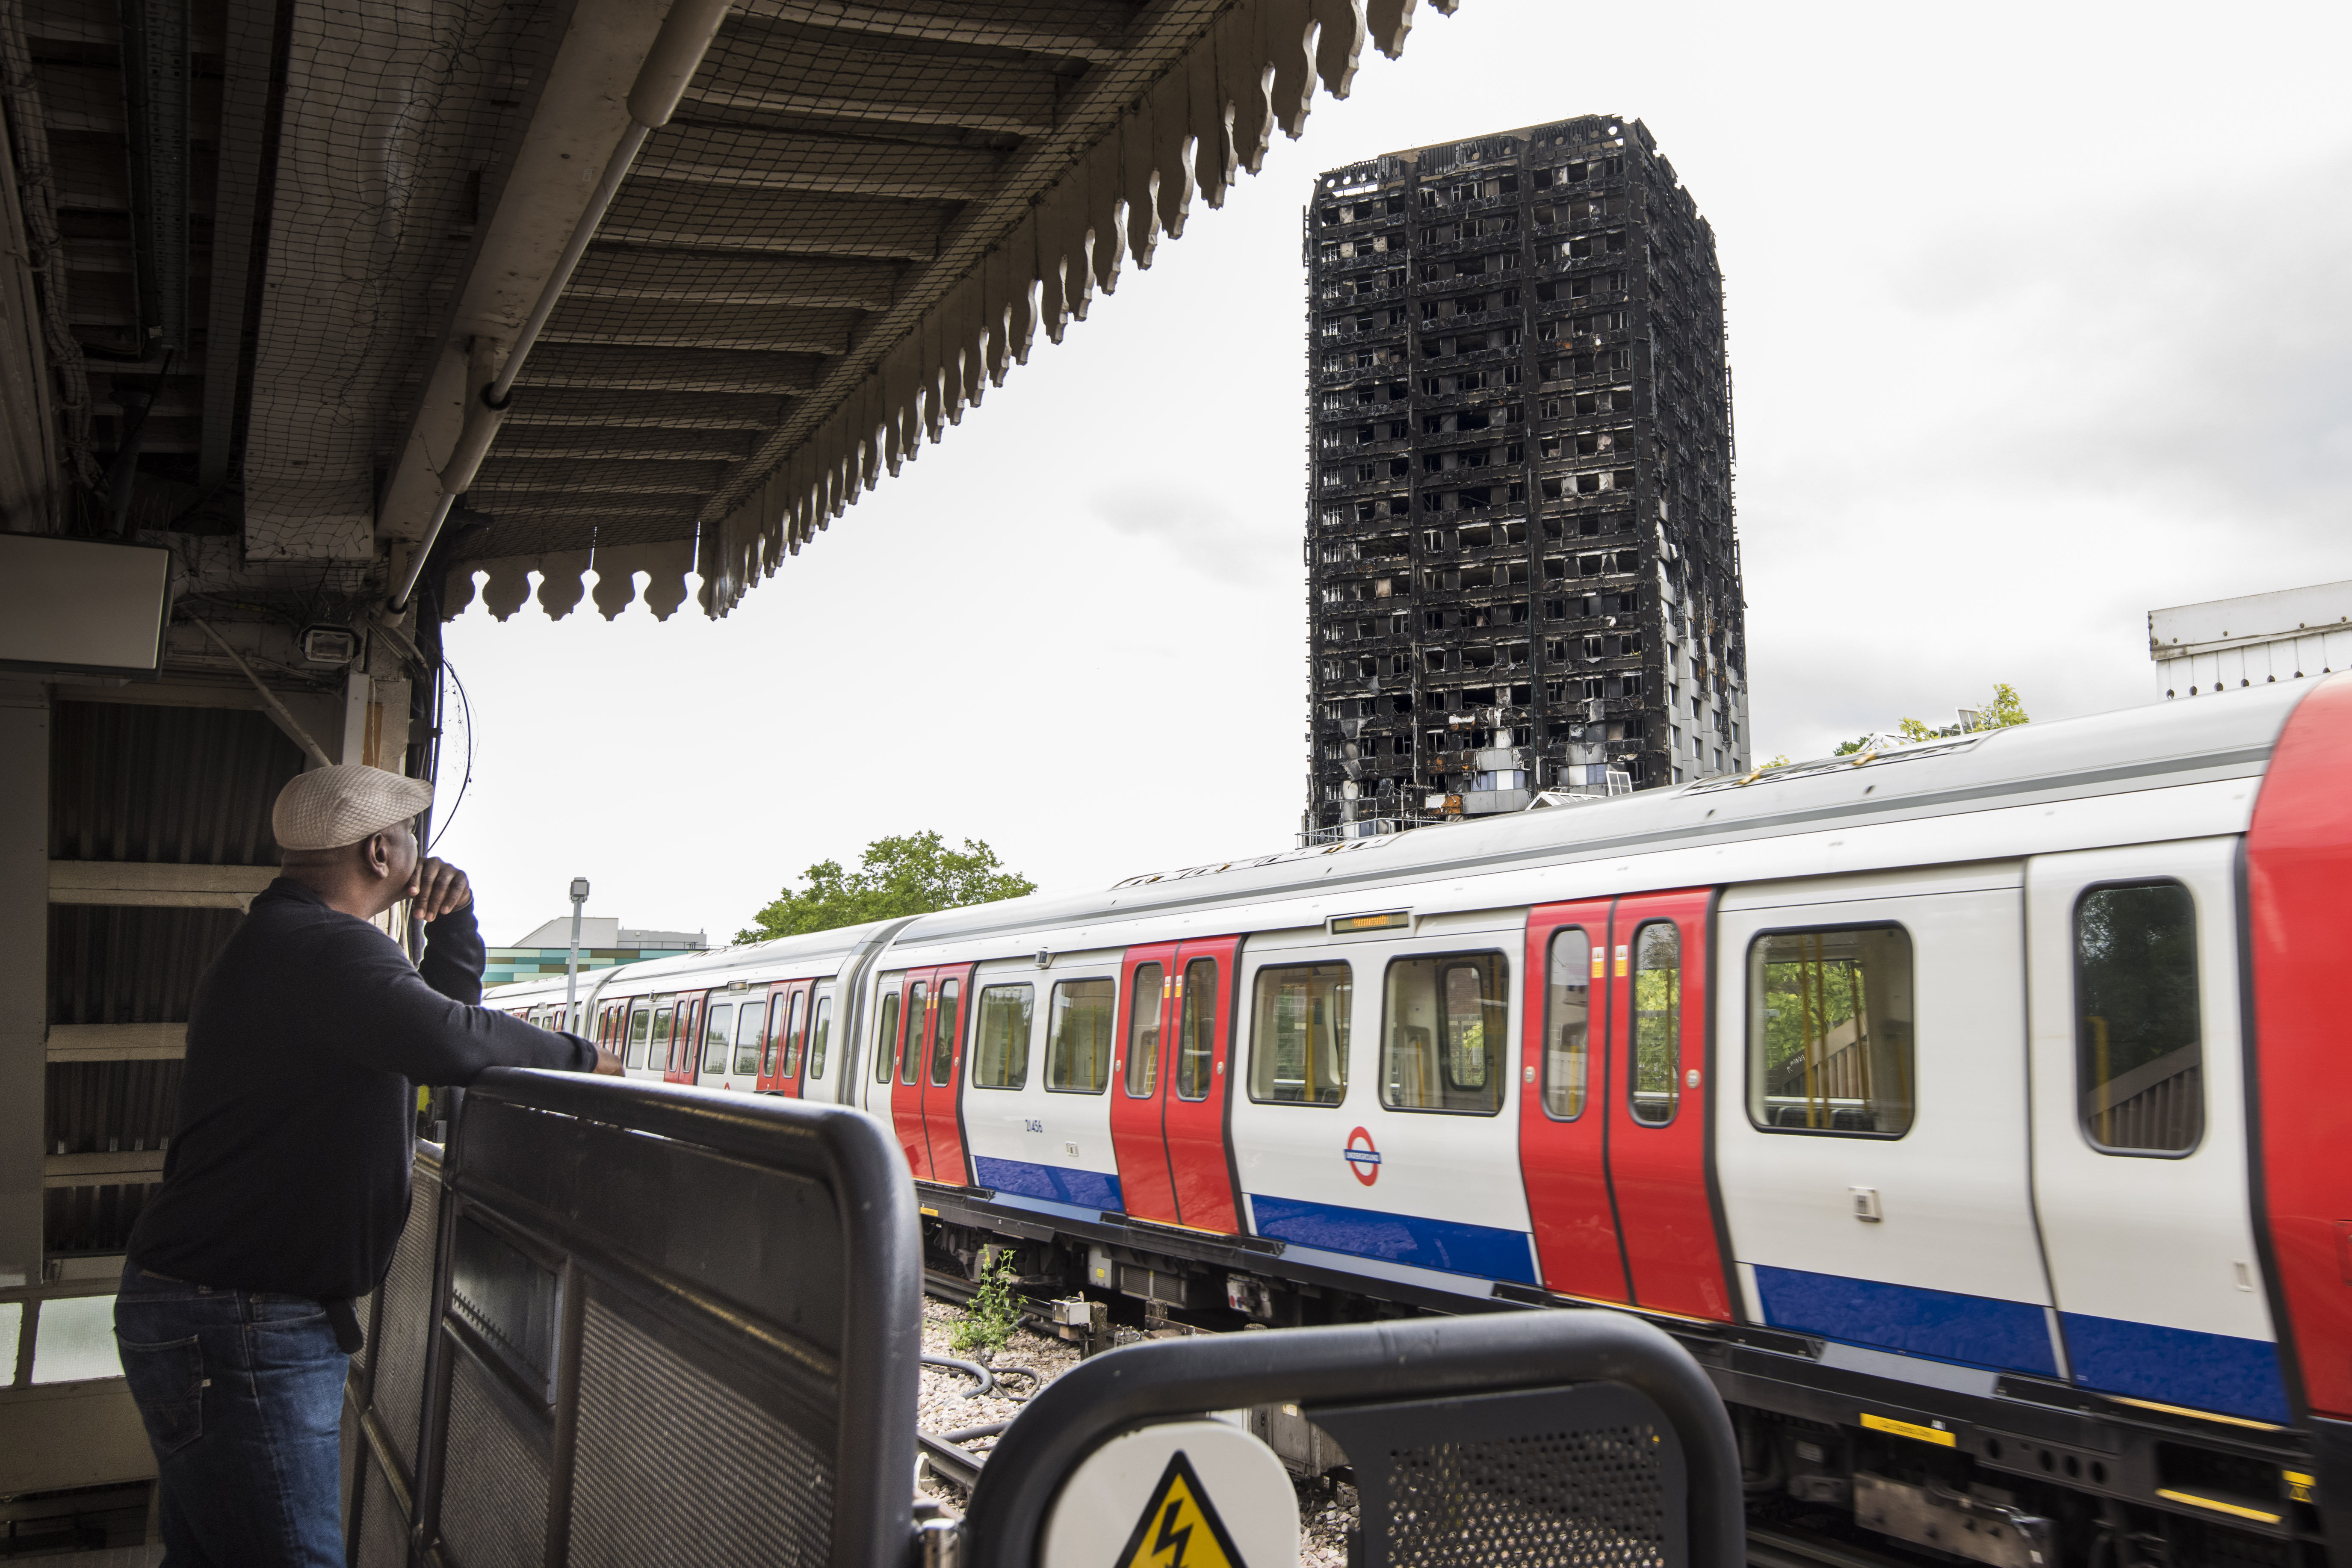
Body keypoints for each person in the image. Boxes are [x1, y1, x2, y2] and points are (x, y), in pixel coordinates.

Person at [113, 764, 622, 1566]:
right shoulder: (323, 948)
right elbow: (454, 1041)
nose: (422, 851)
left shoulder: (291, 941)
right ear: (382, 851)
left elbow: (429, 1039)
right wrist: (584, 1058)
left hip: (224, 1311)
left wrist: (454, 928)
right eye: (411, 836)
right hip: (242, 1321)